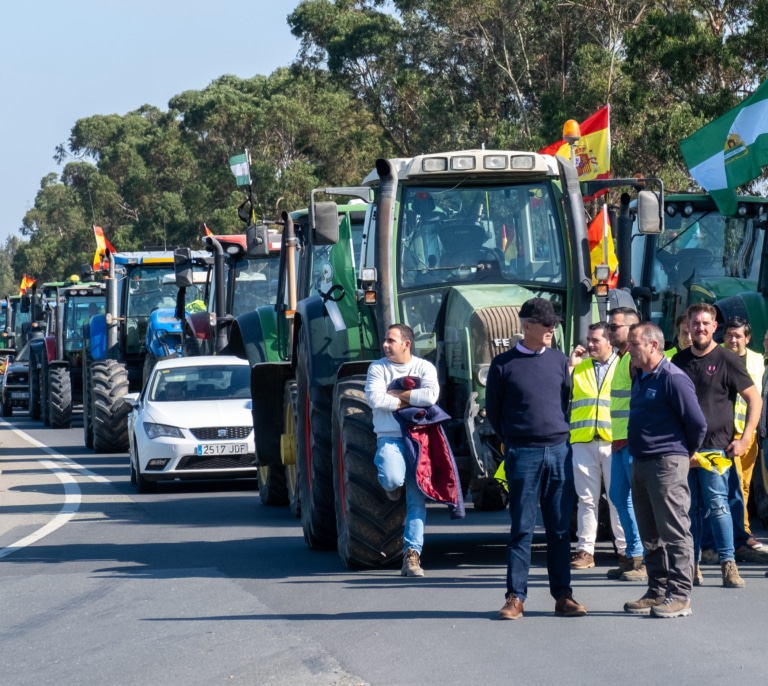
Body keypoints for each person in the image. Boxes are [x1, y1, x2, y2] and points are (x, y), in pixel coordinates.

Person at [486, 297, 587, 619]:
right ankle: (515, 597)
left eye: (554, 324)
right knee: (522, 528)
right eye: (546, 324)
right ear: (526, 325)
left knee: (559, 530)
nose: (552, 329)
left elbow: (564, 400)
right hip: (523, 453)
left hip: (559, 451)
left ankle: (563, 596)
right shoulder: (503, 365)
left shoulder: (558, 361)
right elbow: (496, 415)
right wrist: (516, 442)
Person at [672, 303, 761, 588]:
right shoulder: (677, 361)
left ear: (714, 327)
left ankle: (728, 565)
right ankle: (693, 564)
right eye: (694, 323)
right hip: (684, 449)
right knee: (690, 509)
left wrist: (745, 438)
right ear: (688, 327)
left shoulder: (727, 360)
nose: (699, 328)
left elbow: (754, 400)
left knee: (719, 506)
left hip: (716, 449)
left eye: (705, 323)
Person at [623, 323, 706, 618]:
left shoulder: (673, 378)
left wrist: (684, 452)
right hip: (641, 462)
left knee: (674, 530)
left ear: (653, 346)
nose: (629, 349)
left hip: (666, 463)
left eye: (634, 344)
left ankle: (680, 595)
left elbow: (697, 424)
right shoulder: (640, 376)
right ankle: (657, 589)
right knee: (650, 532)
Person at [365, 323, 440, 577]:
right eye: (385, 340)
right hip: (390, 438)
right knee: (392, 477)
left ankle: (412, 556)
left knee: (417, 498)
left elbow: (430, 397)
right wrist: (410, 399)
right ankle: (391, 488)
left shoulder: (424, 367)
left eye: (390, 340)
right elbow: (375, 399)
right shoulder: (377, 368)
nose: (385, 345)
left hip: (419, 439)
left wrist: (396, 396)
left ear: (406, 344)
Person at [567, 322, 626, 570]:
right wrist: (570, 366)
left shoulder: (623, 366)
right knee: (586, 500)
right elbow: (562, 392)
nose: (589, 344)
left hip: (613, 442)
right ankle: (585, 551)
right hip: (583, 441)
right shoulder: (579, 366)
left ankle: (626, 551)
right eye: (588, 339)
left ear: (609, 341)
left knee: (618, 499)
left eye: (595, 340)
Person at [605, 307, 646, 581]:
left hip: (631, 441)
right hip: (619, 441)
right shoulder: (622, 358)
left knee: (638, 500)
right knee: (619, 496)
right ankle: (632, 555)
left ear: (632, 329)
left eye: (614, 327)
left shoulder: (633, 361)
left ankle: (642, 560)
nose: (609, 331)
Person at [722, 317, 764, 548]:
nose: (733, 340)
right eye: (729, 335)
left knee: (745, 485)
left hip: (750, 431)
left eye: (738, 336)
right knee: (734, 485)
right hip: (727, 434)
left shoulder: (758, 360)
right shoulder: (716, 354)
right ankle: (741, 534)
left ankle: (741, 529)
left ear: (747, 339)